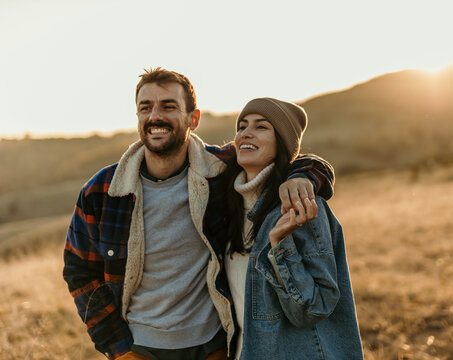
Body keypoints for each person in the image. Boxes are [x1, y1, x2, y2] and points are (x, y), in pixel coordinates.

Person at [62, 69, 335, 360]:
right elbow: (79, 271)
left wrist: (303, 176)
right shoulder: (102, 191)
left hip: (213, 346)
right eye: (145, 107)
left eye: (168, 106)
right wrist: (118, 348)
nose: (155, 116)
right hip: (140, 348)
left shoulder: (220, 170)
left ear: (193, 119)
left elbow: (280, 154)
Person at [223, 98, 363, 359]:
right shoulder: (226, 208)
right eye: (242, 126)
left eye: (261, 127)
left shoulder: (300, 206)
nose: (246, 133)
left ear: (283, 143)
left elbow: (314, 309)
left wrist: (280, 246)